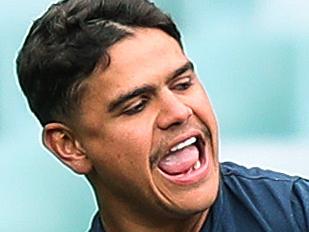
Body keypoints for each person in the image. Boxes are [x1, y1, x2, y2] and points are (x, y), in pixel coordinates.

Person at [16, 0, 309, 231]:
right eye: (136, 106)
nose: (178, 112)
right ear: (69, 145)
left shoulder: (297, 213)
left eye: (183, 84)